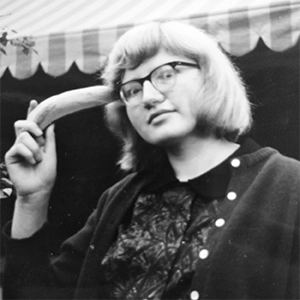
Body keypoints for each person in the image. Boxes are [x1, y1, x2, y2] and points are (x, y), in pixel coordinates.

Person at [3, 21, 300, 300]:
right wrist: (32, 199)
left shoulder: (288, 185)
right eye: (131, 89)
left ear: (210, 77)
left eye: (166, 74)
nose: (148, 97)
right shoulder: (118, 200)